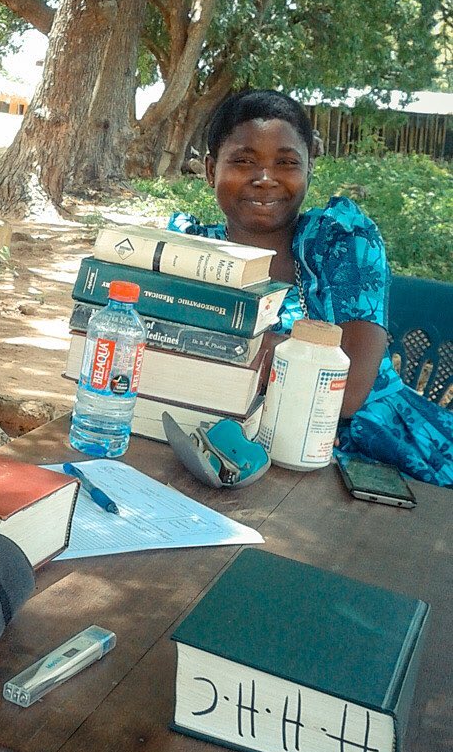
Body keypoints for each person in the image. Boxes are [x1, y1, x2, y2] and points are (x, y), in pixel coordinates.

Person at [169, 88, 451, 487]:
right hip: (241, 451)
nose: (265, 179)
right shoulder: (190, 253)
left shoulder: (342, 243)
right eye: (243, 161)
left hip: (377, 449)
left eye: (285, 163)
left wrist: (226, 348)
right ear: (211, 168)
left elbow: (347, 393)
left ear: (308, 170)